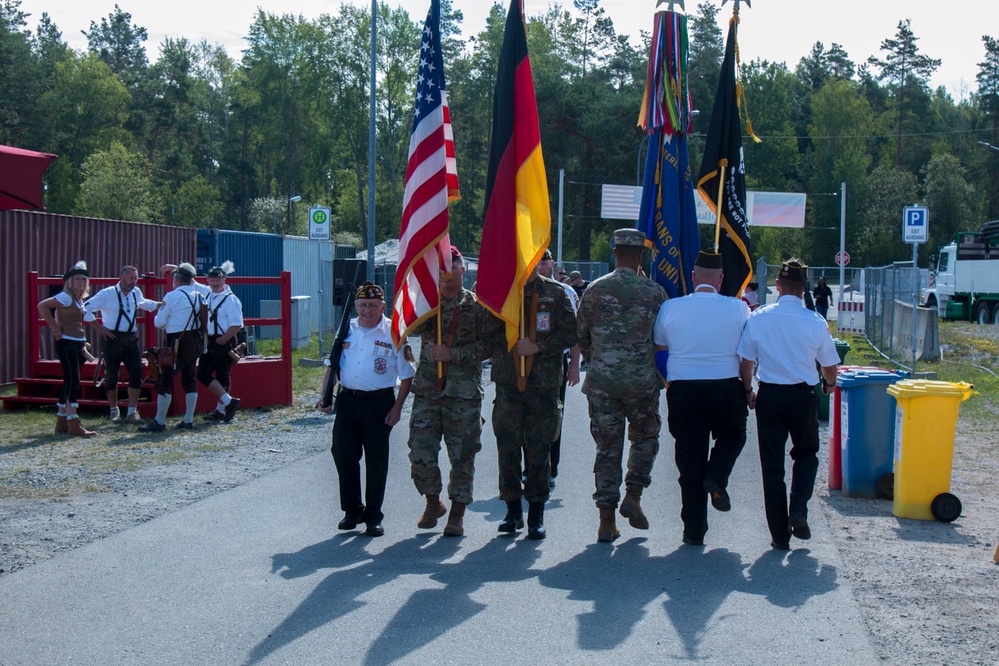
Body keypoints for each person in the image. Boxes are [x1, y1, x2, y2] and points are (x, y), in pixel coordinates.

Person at [736, 259, 840, 550]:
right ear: (804, 288)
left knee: (772, 466)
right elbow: (830, 365)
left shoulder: (760, 317)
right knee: (806, 455)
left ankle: (779, 536)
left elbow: (746, 361)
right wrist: (829, 385)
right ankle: (798, 508)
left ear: (778, 287)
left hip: (770, 396)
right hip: (803, 397)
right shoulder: (816, 322)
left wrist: (748, 391)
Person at [653, 251, 754, 546]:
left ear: (694, 277)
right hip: (725, 387)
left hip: (684, 390)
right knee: (734, 435)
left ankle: (693, 531)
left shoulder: (670, 307)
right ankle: (717, 475)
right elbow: (746, 356)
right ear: (721, 280)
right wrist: (748, 390)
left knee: (689, 460)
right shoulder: (739, 308)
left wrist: (672, 379)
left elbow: (660, 350)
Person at [577, 229, 667, 543]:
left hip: (603, 383)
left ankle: (605, 521)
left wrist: (600, 361)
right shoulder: (654, 292)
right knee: (644, 438)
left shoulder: (594, 290)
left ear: (614, 253)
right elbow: (662, 338)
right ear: (640, 256)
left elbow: (582, 336)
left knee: (606, 448)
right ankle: (634, 495)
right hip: (641, 382)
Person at [486, 258, 577, 540]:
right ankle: (513, 511)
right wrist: (511, 342)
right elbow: (485, 334)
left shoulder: (556, 292)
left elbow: (571, 333)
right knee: (508, 449)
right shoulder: (498, 294)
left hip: (543, 385)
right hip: (508, 383)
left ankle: (536, 513)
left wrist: (539, 346)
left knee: (539, 449)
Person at [407, 247, 491, 536]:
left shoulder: (478, 306)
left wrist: (453, 354)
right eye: (439, 266)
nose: (445, 271)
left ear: (462, 269)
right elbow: (407, 328)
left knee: (462, 456)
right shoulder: (425, 304)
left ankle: (457, 513)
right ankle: (433, 501)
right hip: (428, 390)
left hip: (463, 394)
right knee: (420, 451)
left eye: (451, 265)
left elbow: (489, 346)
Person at [323, 281, 415, 537]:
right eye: (362, 305)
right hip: (348, 402)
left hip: (379, 404)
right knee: (343, 454)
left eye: (372, 306)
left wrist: (398, 408)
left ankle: (373, 516)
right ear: (355, 306)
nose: (367, 310)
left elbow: (407, 375)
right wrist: (325, 397)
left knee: (376, 461)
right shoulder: (347, 330)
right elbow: (332, 366)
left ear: (383, 307)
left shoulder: (394, 332)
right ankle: (352, 511)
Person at [83, 265, 159, 424]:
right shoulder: (107, 294)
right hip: (112, 338)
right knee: (111, 375)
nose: (134, 281)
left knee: (137, 372)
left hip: (130, 339)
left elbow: (144, 303)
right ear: (121, 278)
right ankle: (113, 411)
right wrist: (98, 327)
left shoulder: (136, 293)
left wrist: (163, 303)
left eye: (136, 278)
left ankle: (132, 411)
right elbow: (85, 308)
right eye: (131, 278)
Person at [534, 249, 581, 488]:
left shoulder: (565, 292)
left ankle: (551, 467)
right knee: (528, 416)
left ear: (551, 263)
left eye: (543, 262)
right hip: (529, 361)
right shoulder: (527, 289)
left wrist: (574, 366)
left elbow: (574, 333)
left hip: (555, 361)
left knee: (554, 414)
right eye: (536, 263)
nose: (540, 267)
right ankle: (530, 467)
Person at [140, 262, 205, 432]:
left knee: (165, 379)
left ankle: (160, 421)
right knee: (189, 378)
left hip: (176, 342)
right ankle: (188, 419)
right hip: (195, 341)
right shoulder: (200, 296)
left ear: (176, 278)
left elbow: (159, 322)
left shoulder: (171, 297)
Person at [37, 261, 96, 437]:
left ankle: (62, 422)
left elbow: (76, 323)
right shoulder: (65, 297)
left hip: (77, 343)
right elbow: (42, 306)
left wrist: (82, 341)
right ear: (70, 281)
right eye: (76, 278)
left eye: (83, 279)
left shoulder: (79, 299)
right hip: (67, 343)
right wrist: (54, 327)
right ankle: (73, 422)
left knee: (69, 381)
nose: (80, 282)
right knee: (73, 382)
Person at [198, 262, 243, 423]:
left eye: (218, 280)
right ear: (208, 281)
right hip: (209, 340)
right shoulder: (208, 294)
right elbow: (190, 282)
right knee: (202, 373)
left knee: (223, 376)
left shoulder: (231, 300)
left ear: (224, 280)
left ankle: (221, 410)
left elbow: (237, 324)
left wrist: (223, 340)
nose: (215, 283)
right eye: (212, 280)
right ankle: (228, 402)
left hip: (224, 339)